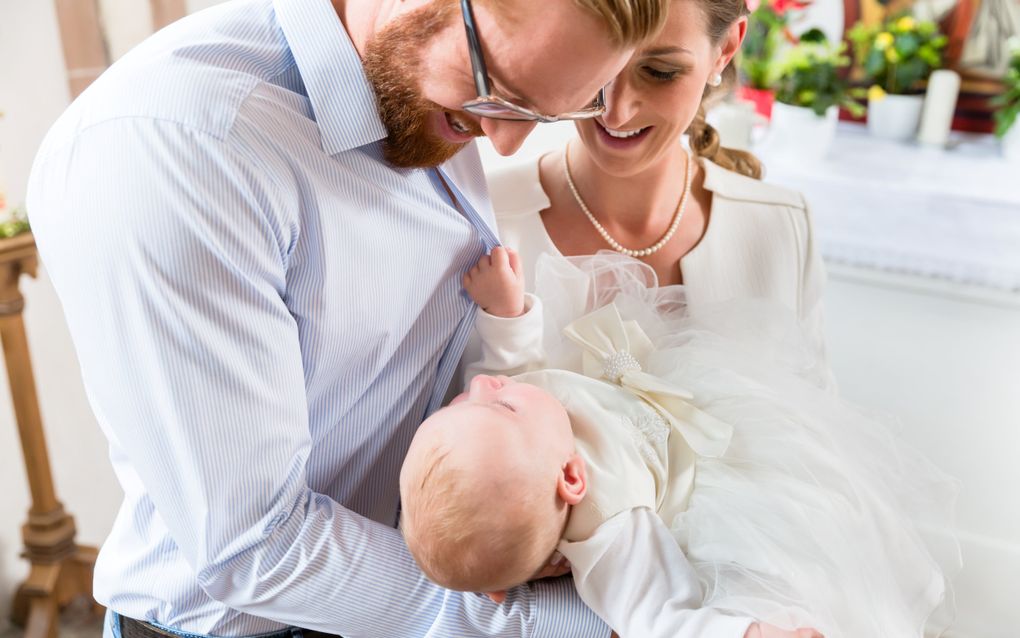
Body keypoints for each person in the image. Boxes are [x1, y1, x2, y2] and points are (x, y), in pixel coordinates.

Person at [25, 0, 672, 636]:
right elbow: (258, 547)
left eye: (540, 111)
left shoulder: (421, 90)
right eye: (495, 86)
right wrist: (571, 623)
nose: (501, 137)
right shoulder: (180, 147)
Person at [401, 247, 957, 638]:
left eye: (458, 404)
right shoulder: (610, 529)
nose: (481, 384)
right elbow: (657, 617)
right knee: (831, 518)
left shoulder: (518, 436)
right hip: (719, 477)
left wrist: (505, 312)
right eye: (498, 403)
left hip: (687, 398)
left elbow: (512, 365)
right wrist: (746, 631)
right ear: (572, 478)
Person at [478, 0, 830, 371]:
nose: (616, 111)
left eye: (660, 72)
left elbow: (808, 419)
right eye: (599, 61)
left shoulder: (781, 228)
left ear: (725, 49)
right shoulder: (486, 221)